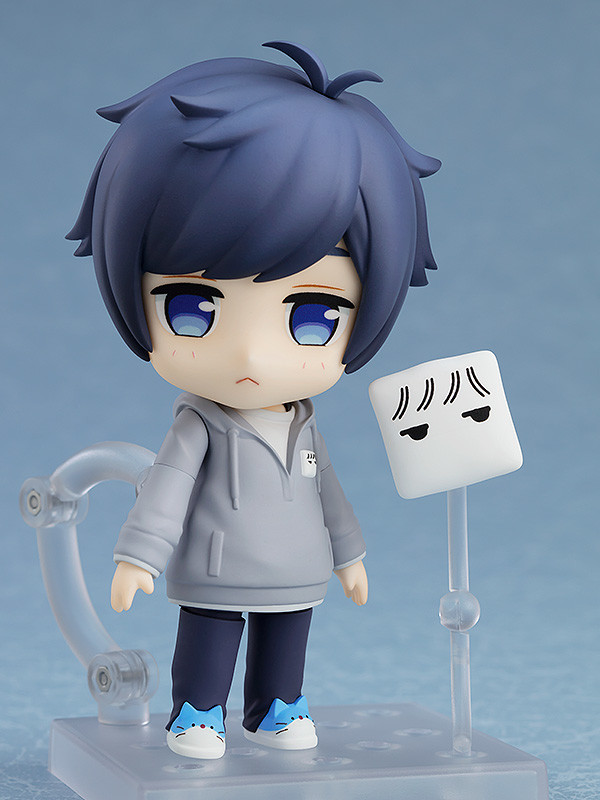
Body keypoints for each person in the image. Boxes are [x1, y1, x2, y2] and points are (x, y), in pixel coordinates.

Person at [67, 40, 440, 759]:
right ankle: (197, 711)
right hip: (215, 570)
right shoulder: (199, 422)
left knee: (286, 642)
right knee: (210, 639)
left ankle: (276, 708)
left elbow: (329, 493)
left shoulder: (304, 424)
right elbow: (166, 488)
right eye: (191, 307)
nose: (249, 356)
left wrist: (350, 554)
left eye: (313, 315)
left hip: (297, 567)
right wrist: (139, 556)